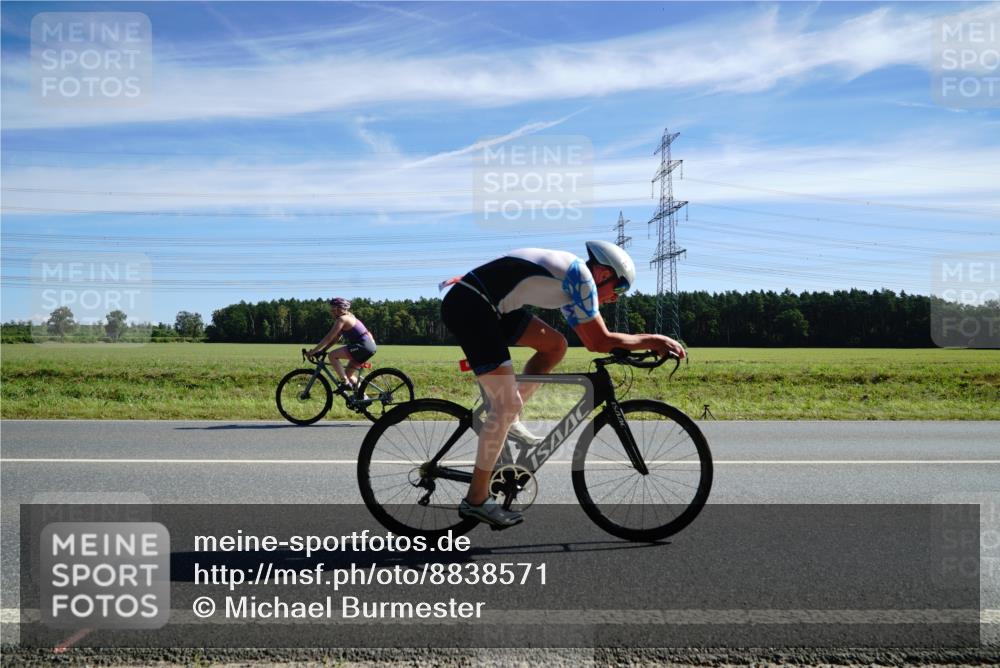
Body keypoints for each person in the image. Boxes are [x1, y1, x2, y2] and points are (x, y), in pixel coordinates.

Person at [440, 241, 686, 528]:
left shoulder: (573, 286)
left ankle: (510, 419)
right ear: (604, 274)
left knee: (555, 346)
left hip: (487, 304)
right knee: (505, 404)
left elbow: (590, 338)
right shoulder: (580, 279)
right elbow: (599, 342)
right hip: (472, 307)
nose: (617, 298)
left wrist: (633, 344)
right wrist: (653, 340)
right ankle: (477, 500)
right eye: (619, 289)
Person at [306, 298, 376, 391]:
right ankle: (363, 398)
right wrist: (323, 350)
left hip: (363, 346)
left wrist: (313, 351)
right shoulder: (350, 316)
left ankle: (345, 383)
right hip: (369, 346)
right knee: (348, 375)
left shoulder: (342, 319)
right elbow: (336, 338)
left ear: (340, 308)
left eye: (333, 308)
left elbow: (329, 337)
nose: (331, 311)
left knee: (332, 355)